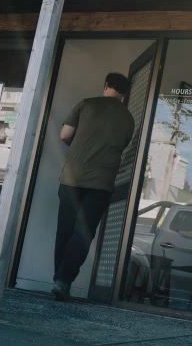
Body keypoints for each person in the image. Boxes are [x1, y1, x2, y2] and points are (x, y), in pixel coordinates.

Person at [52, 72, 135, 301]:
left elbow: (64, 135)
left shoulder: (86, 105)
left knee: (65, 230)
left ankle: (59, 279)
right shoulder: (128, 119)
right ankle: (63, 280)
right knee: (83, 233)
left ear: (106, 84)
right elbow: (122, 146)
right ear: (125, 93)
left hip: (72, 178)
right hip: (101, 183)